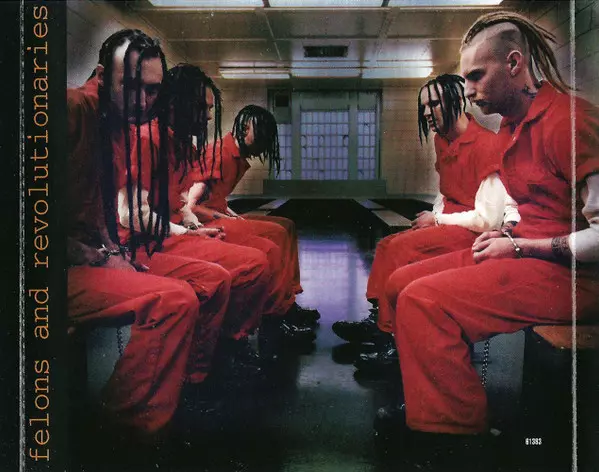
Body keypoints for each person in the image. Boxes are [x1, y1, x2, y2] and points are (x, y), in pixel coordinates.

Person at [374, 11, 599, 466]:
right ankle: (428, 402)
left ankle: (457, 439)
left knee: (424, 302)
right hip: (529, 258)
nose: (470, 90)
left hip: (577, 277)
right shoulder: (514, 126)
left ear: (514, 64)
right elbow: (533, 209)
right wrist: (509, 233)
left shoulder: (570, 122)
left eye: (477, 76)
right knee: (401, 283)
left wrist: (521, 245)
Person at [67, 29, 232, 438]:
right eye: (132, 87)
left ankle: (183, 385)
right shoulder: (71, 109)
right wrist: (82, 249)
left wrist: (111, 253)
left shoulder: (119, 128)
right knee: (173, 300)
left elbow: (100, 210)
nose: (143, 101)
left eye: (152, 90)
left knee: (201, 283)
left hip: (95, 257)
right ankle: (119, 431)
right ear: (102, 76)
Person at [332, 74, 519, 375]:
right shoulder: (443, 140)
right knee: (388, 245)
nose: (427, 113)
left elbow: (487, 220)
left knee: (399, 251)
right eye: (424, 106)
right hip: (452, 225)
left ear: (456, 101)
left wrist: (437, 219)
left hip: (472, 233)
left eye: (434, 104)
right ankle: (379, 320)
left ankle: (391, 339)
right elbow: (445, 191)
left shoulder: (486, 144)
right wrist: (434, 216)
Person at [117, 66, 315, 344]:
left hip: (174, 231)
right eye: (202, 107)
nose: (209, 116)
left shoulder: (181, 146)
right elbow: (132, 214)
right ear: (174, 104)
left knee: (272, 242)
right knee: (259, 256)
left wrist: (193, 227)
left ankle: (267, 318)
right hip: (145, 243)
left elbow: (182, 202)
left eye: (210, 109)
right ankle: (249, 332)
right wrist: (191, 230)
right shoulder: (150, 140)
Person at [181, 103, 320, 328]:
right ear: (245, 128)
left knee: (286, 226)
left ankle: (288, 297)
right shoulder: (220, 153)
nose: (265, 143)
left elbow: (216, 198)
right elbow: (192, 206)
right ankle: (278, 311)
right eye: (261, 135)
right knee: (275, 236)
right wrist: (228, 219)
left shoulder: (235, 156)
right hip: (201, 222)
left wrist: (233, 215)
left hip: (217, 215)